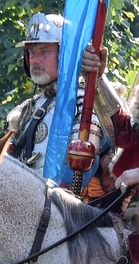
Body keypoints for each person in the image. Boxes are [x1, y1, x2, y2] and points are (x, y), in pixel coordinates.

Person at [7, 11, 108, 182]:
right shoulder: (25, 110)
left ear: (64, 55)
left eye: (44, 51)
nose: (35, 60)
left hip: (61, 205)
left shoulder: (83, 102)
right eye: (31, 52)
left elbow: (79, 176)